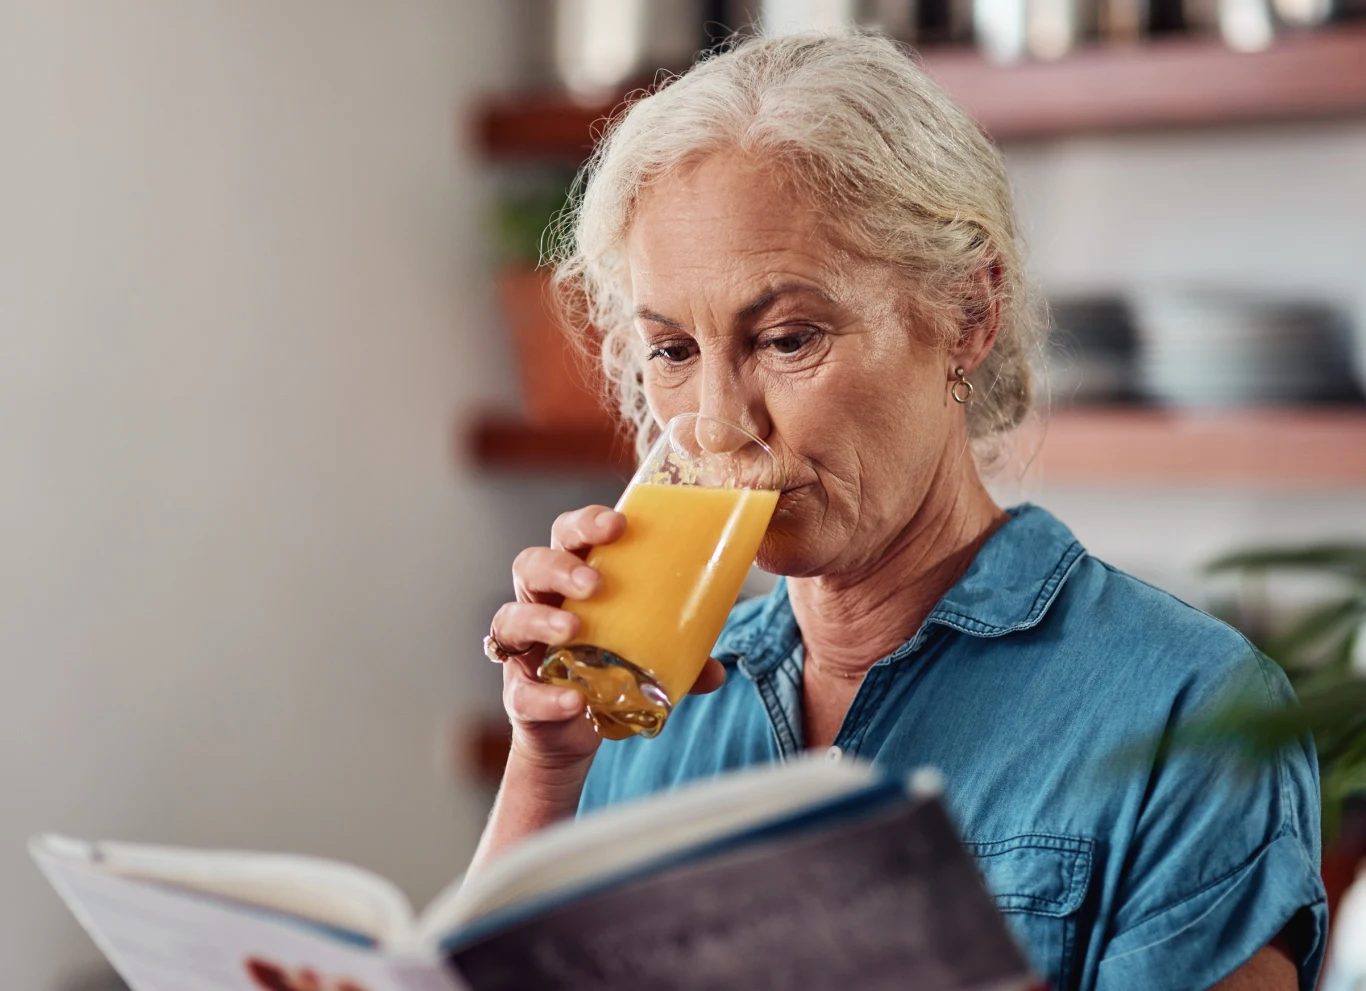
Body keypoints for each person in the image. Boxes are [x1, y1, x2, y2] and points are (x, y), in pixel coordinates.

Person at [469, 31, 1326, 991]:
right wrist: (546, 767)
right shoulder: (643, 714)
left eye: (788, 338)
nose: (716, 422)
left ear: (968, 313)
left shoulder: (1186, 705)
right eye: (672, 351)